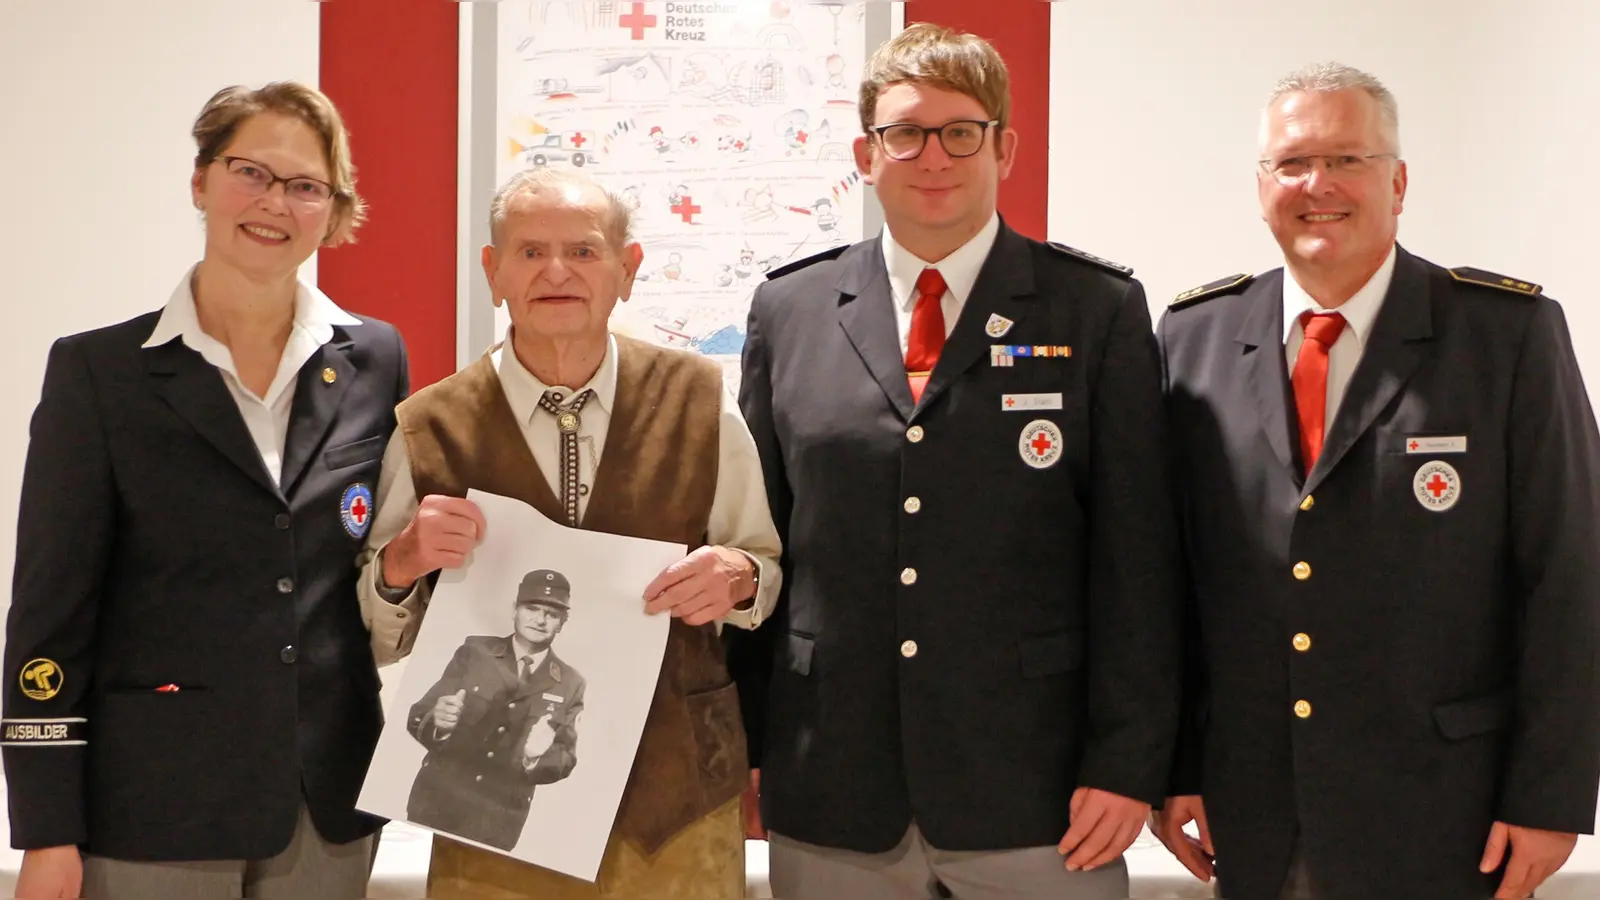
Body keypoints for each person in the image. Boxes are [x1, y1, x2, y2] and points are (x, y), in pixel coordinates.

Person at [726, 23, 1183, 900]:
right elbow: (762, 544)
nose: (932, 156)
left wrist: (1130, 763)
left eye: (961, 131)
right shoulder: (791, 308)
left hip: (1040, 792)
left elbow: (1140, 561)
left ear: (1004, 147)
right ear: (867, 153)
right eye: (905, 132)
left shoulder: (1095, 309)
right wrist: (749, 745)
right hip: (832, 783)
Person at [1152, 62, 1600, 900]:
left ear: (1398, 182)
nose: (1317, 185)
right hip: (1252, 813)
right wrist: (1172, 766)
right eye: (1290, 164)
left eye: (1347, 160)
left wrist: (1552, 794)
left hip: (1450, 812)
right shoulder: (1194, 339)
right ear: (1260, 189)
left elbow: (1569, 577)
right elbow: (1170, 581)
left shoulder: (1506, 338)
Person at [3, 82, 409, 899]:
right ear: (201, 182)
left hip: (326, 805)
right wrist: (46, 828)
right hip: (153, 808)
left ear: (332, 212)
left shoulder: (376, 357)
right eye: (250, 172)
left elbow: (360, 570)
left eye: (305, 186)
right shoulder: (99, 373)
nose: (274, 203)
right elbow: (50, 610)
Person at [357, 166, 783, 899]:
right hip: (487, 810)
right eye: (529, 252)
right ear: (493, 273)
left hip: (675, 800)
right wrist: (402, 561)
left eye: (584, 251)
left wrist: (737, 578)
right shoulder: (430, 427)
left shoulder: (701, 401)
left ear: (628, 269)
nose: (556, 271)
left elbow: (764, 566)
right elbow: (380, 630)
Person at [405, 569, 586, 852]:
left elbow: (565, 759)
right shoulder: (475, 651)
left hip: (498, 821)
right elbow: (419, 715)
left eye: (551, 614)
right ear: (515, 609)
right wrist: (438, 722)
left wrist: (535, 758)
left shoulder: (571, 682)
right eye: (532, 608)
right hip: (438, 801)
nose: (540, 619)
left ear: (563, 622)